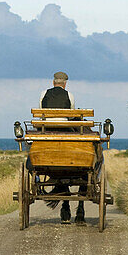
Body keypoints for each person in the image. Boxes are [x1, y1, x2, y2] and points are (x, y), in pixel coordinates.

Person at [39, 71, 85, 224]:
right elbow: (71, 114)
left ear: (53, 83)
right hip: (64, 128)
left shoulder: (44, 93)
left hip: (47, 129)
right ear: (65, 84)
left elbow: (41, 113)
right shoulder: (69, 95)